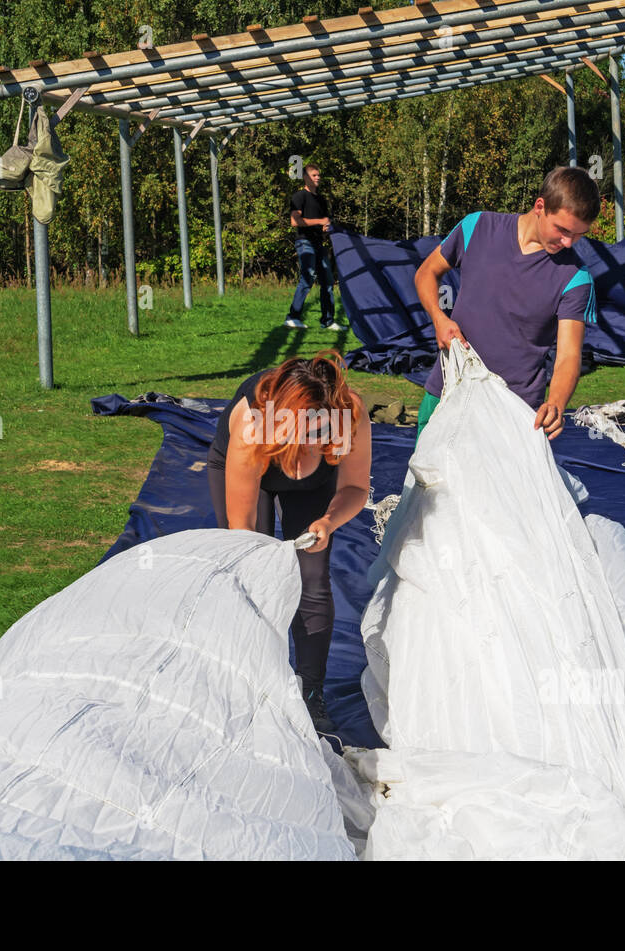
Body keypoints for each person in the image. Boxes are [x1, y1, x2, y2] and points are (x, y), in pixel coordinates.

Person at [205, 351, 370, 735]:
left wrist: (328, 522)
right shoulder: (251, 425)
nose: (311, 446)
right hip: (254, 475)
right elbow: (241, 528)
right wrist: (258, 566)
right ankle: (254, 684)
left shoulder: (351, 415)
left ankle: (310, 693)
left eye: (320, 435)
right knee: (251, 580)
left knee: (313, 581)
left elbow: (356, 487)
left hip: (314, 489)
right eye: (301, 435)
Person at [413, 165, 600, 443]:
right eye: (562, 230)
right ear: (540, 206)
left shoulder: (577, 278)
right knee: (428, 486)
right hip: (447, 393)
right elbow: (426, 273)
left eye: (578, 235)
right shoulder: (476, 226)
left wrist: (556, 404)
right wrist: (439, 318)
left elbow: (568, 356)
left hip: (513, 413)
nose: (568, 242)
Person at [284, 165, 344, 331]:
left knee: (328, 281)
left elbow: (325, 221)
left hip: (319, 244)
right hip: (305, 242)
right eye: (314, 175)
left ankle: (328, 321)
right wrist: (319, 221)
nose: (317, 178)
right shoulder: (299, 196)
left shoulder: (322, 200)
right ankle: (292, 317)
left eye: (319, 175)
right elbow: (295, 221)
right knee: (308, 277)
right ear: (306, 177)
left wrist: (326, 226)